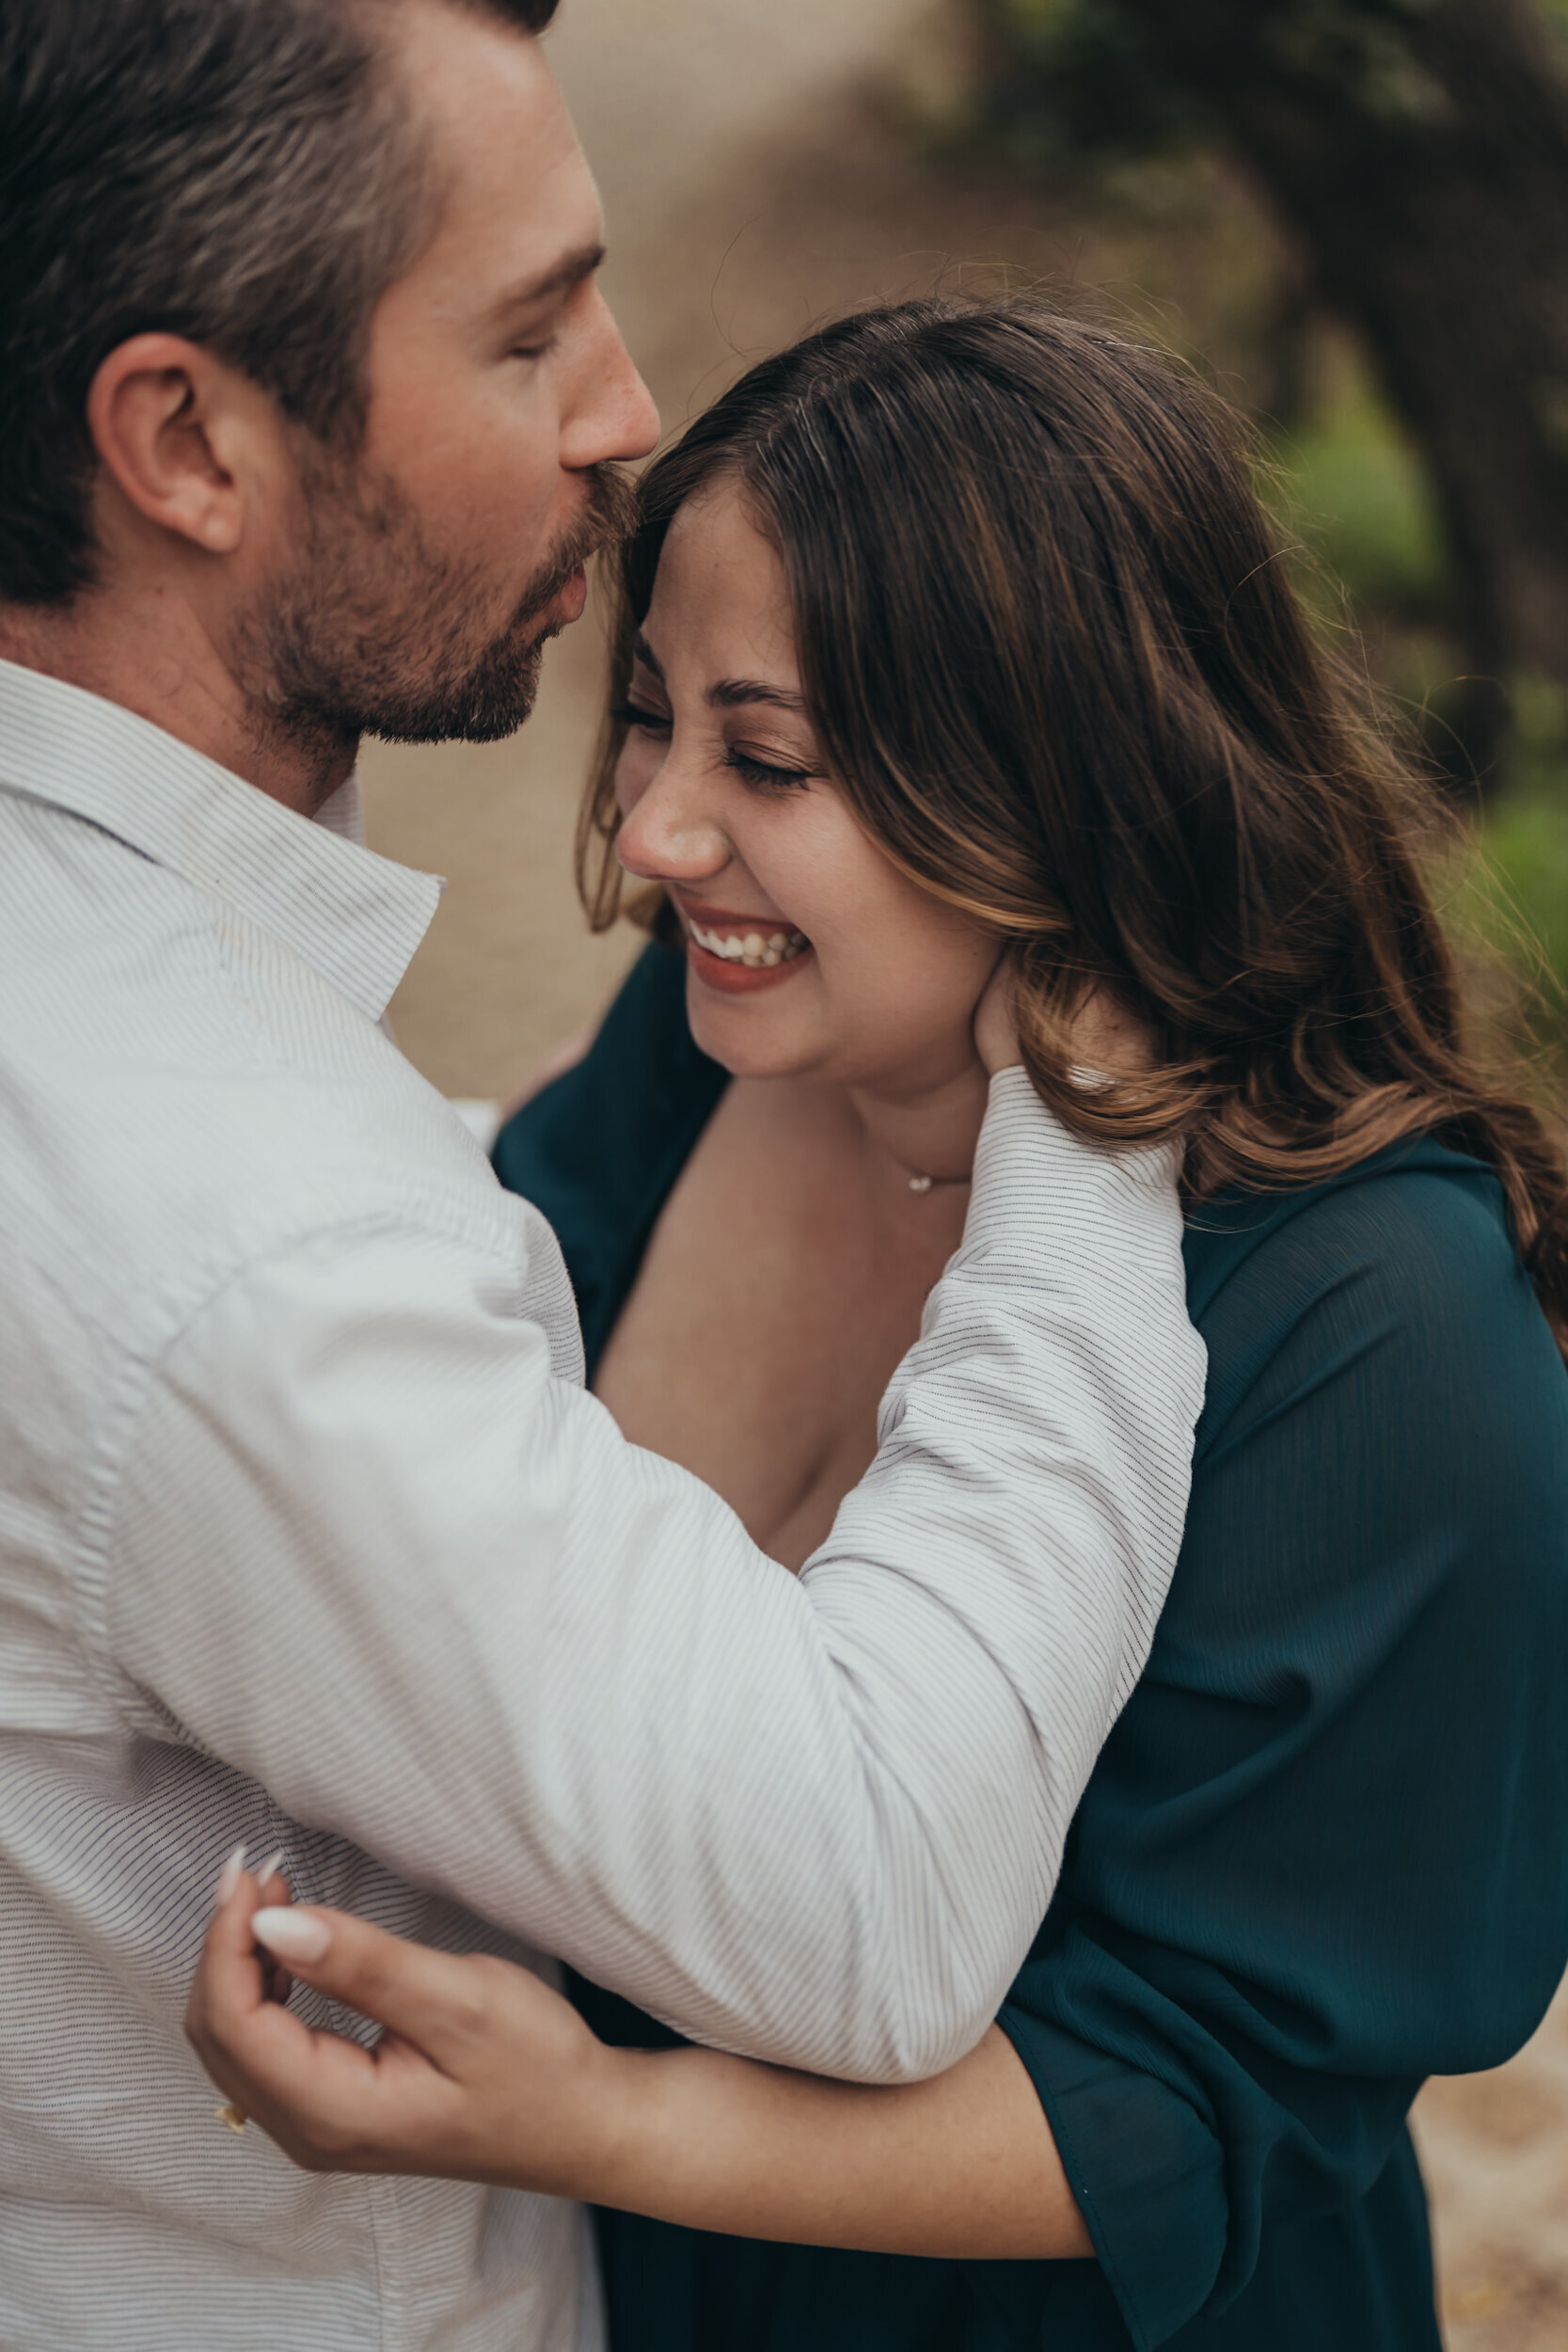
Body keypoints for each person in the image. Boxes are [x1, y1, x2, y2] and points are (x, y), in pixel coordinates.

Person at [188, 302, 1568, 2351]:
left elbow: (1213, 2087)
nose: (656, 831)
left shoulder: (1385, 1333)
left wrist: (608, 2120)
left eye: (772, 758)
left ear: (1064, 777)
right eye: (652, 715)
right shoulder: (708, 1037)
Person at [0, 6, 1208, 2345]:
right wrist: (1083, 1101)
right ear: (184, 441)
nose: (628, 406)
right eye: (530, 325)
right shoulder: (238, 1234)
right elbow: (864, 1888)